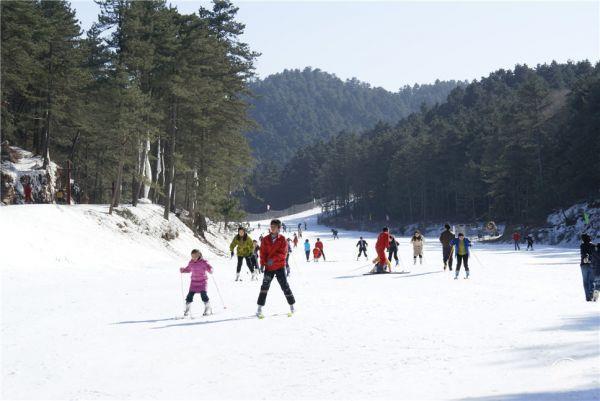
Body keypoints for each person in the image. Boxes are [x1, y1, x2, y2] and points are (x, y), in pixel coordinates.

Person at [257, 219, 296, 317]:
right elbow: (262, 253)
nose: (272, 228)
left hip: (279, 266)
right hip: (269, 268)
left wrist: (273, 259)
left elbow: (283, 253)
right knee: (264, 286)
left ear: (279, 228)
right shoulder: (265, 239)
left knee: (284, 286)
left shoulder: (282, 239)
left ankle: (292, 305)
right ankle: (259, 308)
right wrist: (262, 263)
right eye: (271, 226)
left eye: (274, 227)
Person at [180, 249, 213, 317]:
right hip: (194, 282)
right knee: (189, 296)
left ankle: (207, 307)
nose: (193, 258)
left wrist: (210, 270)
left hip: (202, 281)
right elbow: (188, 269)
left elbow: (209, 267)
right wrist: (183, 270)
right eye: (192, 256)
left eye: (195, 256)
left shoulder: (204, 262)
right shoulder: (191, 263)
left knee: (203, 295)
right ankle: (187, 309)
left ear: (199, 255)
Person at [580, 234, 598, 302]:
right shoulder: (593, 246)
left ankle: (587, 296)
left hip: (583, 265)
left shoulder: (582, 246)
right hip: (592, 264)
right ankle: (591, 295)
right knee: (592, 281)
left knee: (585, 281)